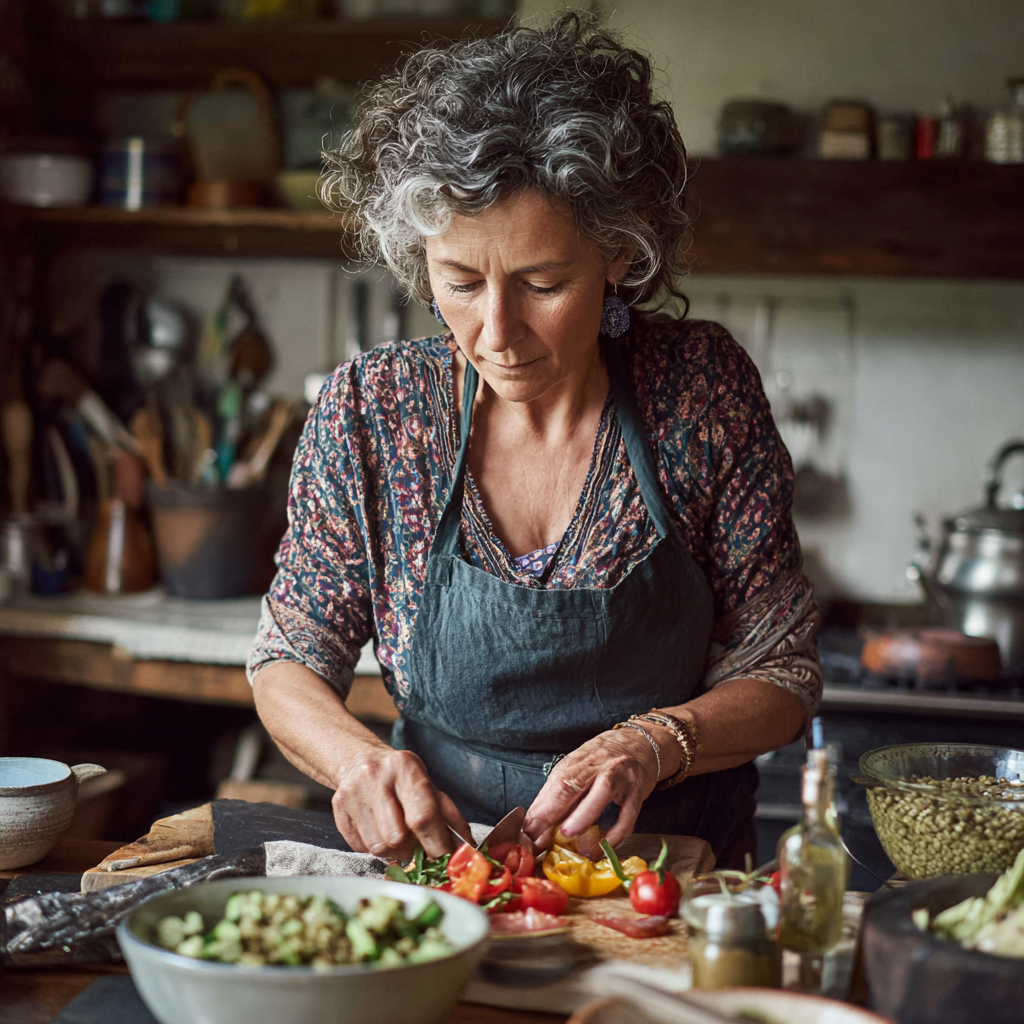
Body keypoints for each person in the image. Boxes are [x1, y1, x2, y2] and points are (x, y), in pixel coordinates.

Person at [248, 15, 821, 870]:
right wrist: (356, 759)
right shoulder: (372, 412)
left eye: (542, 283)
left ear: (621, 253)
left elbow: (782, 673)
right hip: (446, 871)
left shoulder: (698, 396)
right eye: (460, 282)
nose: (498, 331)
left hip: (668, 869)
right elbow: (288, 656)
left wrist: (655, 741)